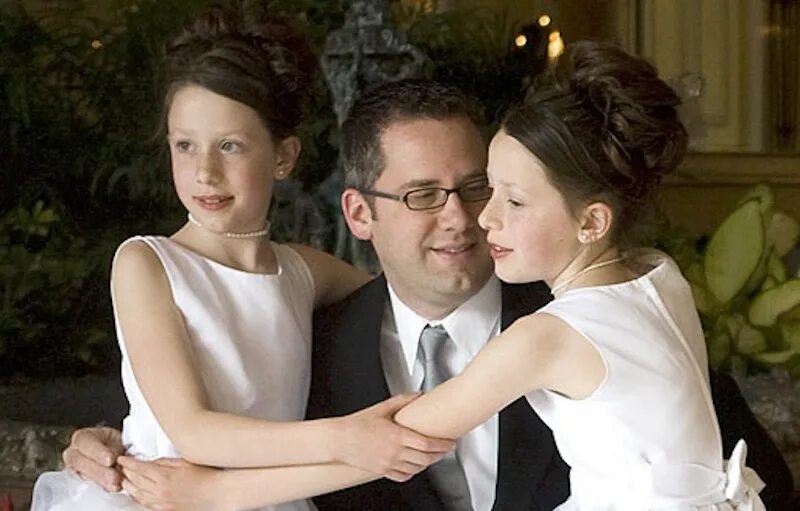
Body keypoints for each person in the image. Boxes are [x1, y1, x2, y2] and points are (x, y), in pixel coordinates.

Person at [63, 71, 797, 510]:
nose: (467, 217)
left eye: (483, 188)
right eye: (421, 196)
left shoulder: (569, 328)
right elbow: (226, 391)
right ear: (360, 214)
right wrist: (109, 449)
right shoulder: (312, 352)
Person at [30, 4, 454, 511]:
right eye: (185, 146)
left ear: (283, 156)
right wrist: (346, 439)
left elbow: (403, 291)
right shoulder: (148, 264)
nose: (204, 171)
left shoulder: (302, 270)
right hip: (159, 497)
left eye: (229, 146)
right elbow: (194, 432)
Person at [382, 41, 768, 509]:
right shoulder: (658, 276)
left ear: (592, 222)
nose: (486, 219)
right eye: (491, 189)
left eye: (516, 202)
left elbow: (398, 436)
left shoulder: (547, 338)